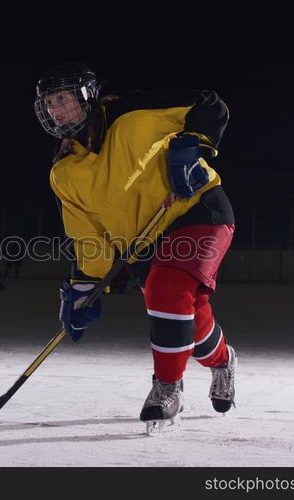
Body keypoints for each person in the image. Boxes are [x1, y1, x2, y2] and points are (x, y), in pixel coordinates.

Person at [34, 61, 237, 430]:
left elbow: (208, 104)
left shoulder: (132, 113)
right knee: (189, 314)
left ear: (85, 96)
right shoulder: (64, 172)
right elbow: (89, 236)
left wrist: (195, 146)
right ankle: (223, 362)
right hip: (144, 241)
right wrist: (83, 287)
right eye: (48, 104)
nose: (55, 109)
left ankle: (167, 389)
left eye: (62, 99)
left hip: (197, 210)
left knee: (167, 289)